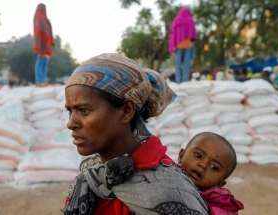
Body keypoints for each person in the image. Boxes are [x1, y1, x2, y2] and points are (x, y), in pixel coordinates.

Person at [62, 53, 209, 215]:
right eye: (70, 111)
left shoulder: (167, 190)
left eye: (83, 110)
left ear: (126, 111)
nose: (71, 124)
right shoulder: (94, 172)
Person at [178, 132, 244, 215]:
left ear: (220, 183)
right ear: (181, 155)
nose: (203, 165)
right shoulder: (164, 175)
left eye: (214, 167)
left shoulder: (220, 206)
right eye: (198, 155)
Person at [169, 7, 198, 84]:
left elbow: (172, 32)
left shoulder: (177, 19)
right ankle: (184, 81)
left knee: (178, 64)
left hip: (178, 45)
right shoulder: (190, 19)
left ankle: (178, 81)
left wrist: (173, 43)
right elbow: (193, 32)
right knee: (186, 64)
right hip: (188, 44)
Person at [33, 3, 55, 87]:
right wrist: (38, 43)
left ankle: (44, 80)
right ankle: (39, 81)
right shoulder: (38, 16)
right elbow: (38, 30)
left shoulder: (45, 18)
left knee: (44, 62)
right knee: (40, 62)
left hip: (46, 43)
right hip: (41, 42)